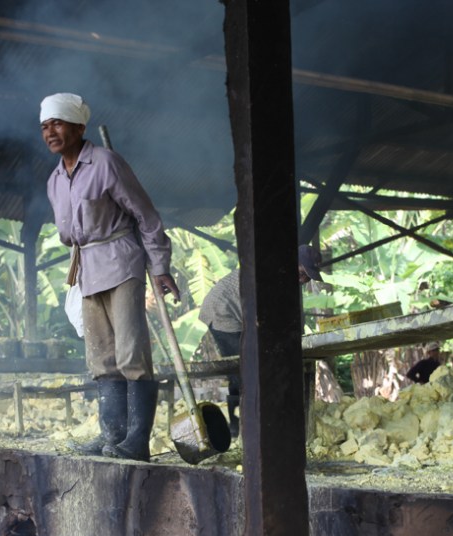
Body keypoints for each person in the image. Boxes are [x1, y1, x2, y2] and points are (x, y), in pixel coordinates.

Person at [41, 92, 180, 462]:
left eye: (57, 123)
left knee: (131, 353)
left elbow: (146, 216)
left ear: (79, 127)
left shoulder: (106, 163)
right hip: (87, 270)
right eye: (44, 126)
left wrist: (161, 267)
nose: (50, 132)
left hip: (121, 264)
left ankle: (137, 442)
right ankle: (111, 437)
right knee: (101, 358)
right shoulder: (55, 179)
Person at [198, 245, 325, 437]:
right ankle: (241, 427)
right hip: (223, 310)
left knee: (246, 367)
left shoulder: (282, 277)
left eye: (307, 276)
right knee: (241, 369)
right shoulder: (270, 273)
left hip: (238, 311)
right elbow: (261, 317)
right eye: (300, 272)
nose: (302, 279)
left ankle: (254, 422)